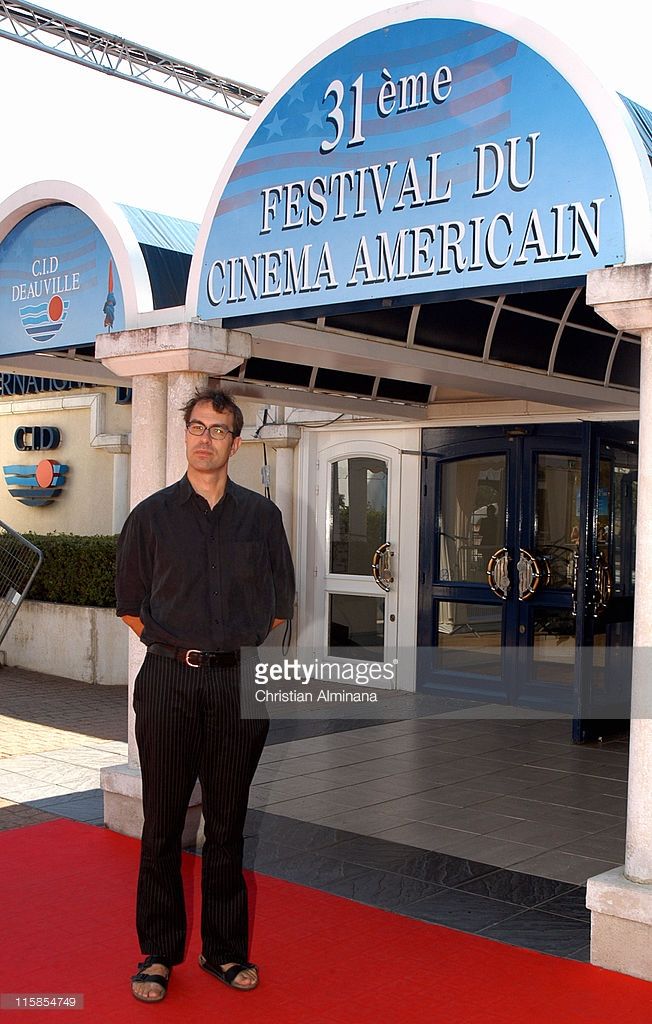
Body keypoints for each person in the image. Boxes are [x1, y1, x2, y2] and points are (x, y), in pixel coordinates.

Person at [115, 387, 295, 1003]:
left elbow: (280, 604)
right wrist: (179, 648)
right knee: (163, 823)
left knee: (226, 824)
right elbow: (129, 604)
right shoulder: (151, 517)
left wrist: (234, 651)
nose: (205, 438)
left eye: (218, 430)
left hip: (238, 682)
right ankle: (158, 954)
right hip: (168, 682)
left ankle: (224, 951)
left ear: (234, 444)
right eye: (197, 427)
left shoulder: (261, 518)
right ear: (186, 433)